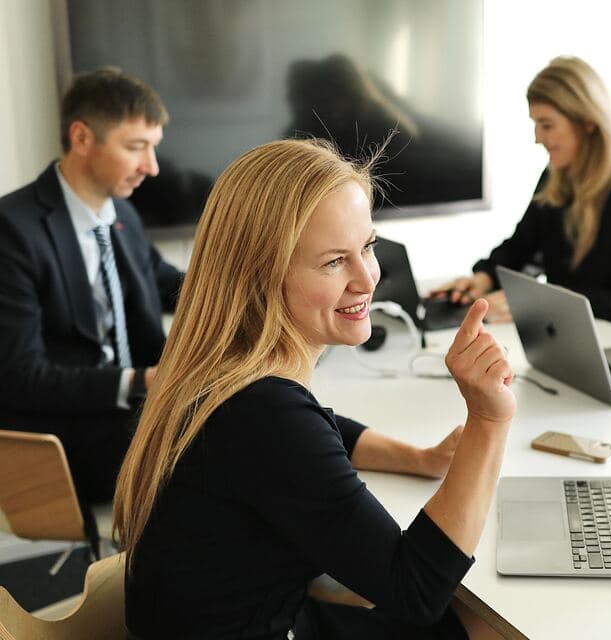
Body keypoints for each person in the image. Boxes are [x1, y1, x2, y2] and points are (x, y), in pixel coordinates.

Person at [114, 138, 516, 639]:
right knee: (484, 628)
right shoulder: (265, 414)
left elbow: (321, 432)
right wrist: (489, 421)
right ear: (260, 277)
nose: (368, 279)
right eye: (333, 262)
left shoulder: (221, 370)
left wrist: (420, 458)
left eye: (367, 247)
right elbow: (416, 590)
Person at [0, 68, 183, 511]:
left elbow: (166, 284)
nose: (152, 167)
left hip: (128, 417)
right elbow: (20, 379)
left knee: (249, 415)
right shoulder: (13, 230)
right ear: (81, 138)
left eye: (153, 147)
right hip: (62, 436)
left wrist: (254, 289)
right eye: (136, 147)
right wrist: (139, 381)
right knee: (222, 450)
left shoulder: (121, 214)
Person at [431, 56, 611, 332]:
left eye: (547, 125)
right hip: (579, 340)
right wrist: (484, 278)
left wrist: (537, 304)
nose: (537, 138)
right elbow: (521, 247)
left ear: (587, 122)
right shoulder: (556, 177)